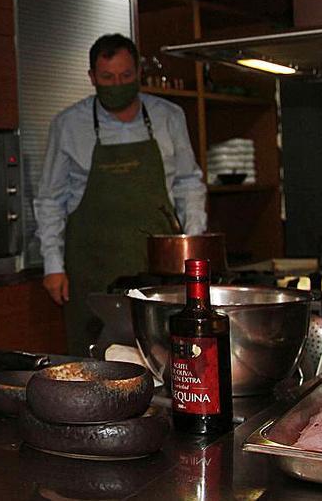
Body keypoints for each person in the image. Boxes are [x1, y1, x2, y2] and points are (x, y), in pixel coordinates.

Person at [34, 34, 205, 356]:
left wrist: (191, 244)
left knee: (166, 354)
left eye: (126, 76)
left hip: (158, 265)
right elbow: (50, 200)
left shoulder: (169, 116)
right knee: (96, 359)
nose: (118, 84)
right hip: (92, 267)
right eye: (108, 78)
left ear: (138, 72)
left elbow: (188, 183)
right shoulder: (68, 124)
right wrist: (53, 266)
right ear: (92, 78)